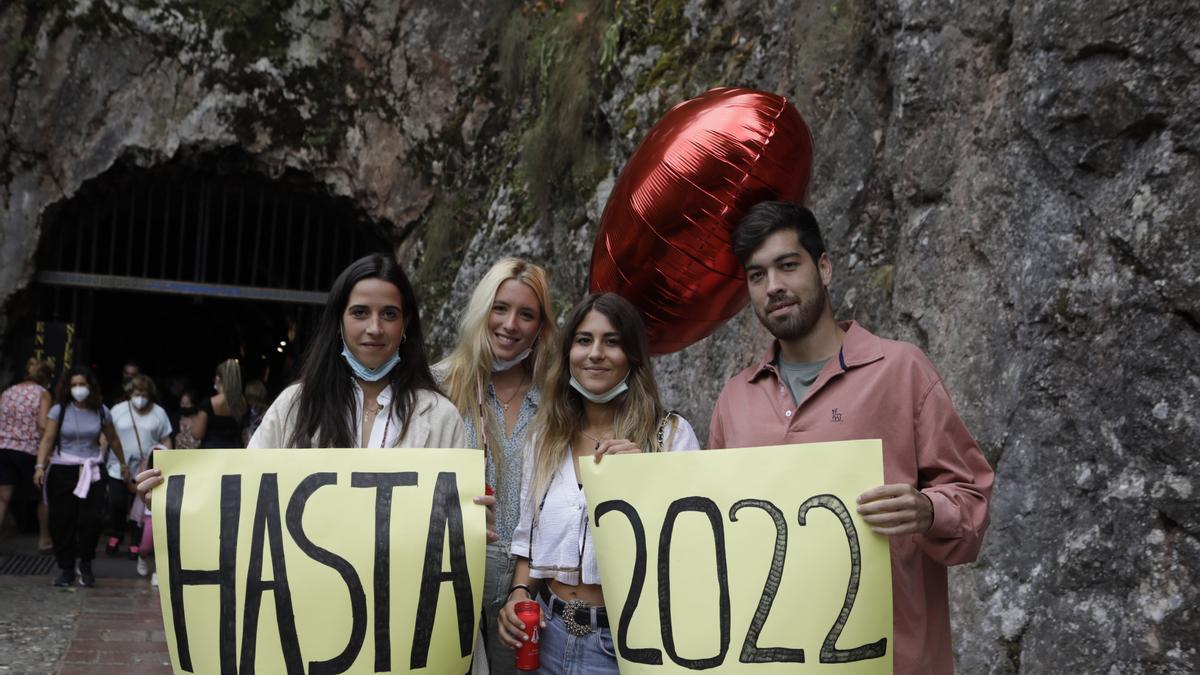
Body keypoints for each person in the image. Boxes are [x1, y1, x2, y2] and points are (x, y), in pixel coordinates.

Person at [706, 201, 995, 675]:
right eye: (757, 276)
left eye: (787, 265)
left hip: (892, 660)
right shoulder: (734, 400)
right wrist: (633, 470)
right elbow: (712, 530)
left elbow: (971, 498)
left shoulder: (902, 371)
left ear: (824, 267)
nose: (773, 286)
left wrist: (928, 509)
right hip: (767, 662)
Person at [499, 292, 701, 674]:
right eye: (583, 340)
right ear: (568, 353)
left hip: (626, 642)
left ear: (633, 356)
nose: (595, 353)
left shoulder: (669, 436)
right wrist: (518, 595)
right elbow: (528, 535)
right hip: (546, 634)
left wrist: (647, 478)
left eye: (612, 341)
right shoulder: (544, 436)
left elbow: (693, 544)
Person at [436, 258, 555, 674]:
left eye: (527, 314)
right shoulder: (439, 389)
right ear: (482, 309)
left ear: (541, 327)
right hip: (448, 579)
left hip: (525, 592)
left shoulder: (555, 404)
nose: (510, 324)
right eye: (500, 308)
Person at [33, 365, 130, 588]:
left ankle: (85, 563)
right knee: (62, 520)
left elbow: (113, 439)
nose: (78, 389)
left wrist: (123, 464)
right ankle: (66, 567)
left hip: (92, 470)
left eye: (82, 385)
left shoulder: (101, 411)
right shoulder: (60, 410)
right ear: (68, 387)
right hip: (63, 468)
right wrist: (40, 466)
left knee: (91, 520)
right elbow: (48, 438)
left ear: (90, 387)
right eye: (74, 385)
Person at [104, 374, 172, 572]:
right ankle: (116, 533)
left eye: (143, 393)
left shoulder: (159, 413)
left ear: (150, 394)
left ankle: (136, 540)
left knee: (141, 506)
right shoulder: (118, 410)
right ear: (130, 393)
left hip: (145, 468)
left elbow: (166, 439)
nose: (139, 397)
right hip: (119, 465)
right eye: (136, 393)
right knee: (116, 501)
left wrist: (167, 461)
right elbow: (107, 435)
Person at [0, 356, 54, 550]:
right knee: (43, 495)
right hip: (29, 449)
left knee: (3, 496)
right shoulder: (42, 393)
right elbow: (42, 425)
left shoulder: (8, 392)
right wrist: (47, 448)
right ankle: (44, 538)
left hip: (4, 448)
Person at [195, 358, 247, 449]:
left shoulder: (209, 403)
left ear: (218, 379)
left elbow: (197, 434)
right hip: (235, 452)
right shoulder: (243, 402)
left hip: (212, 453)